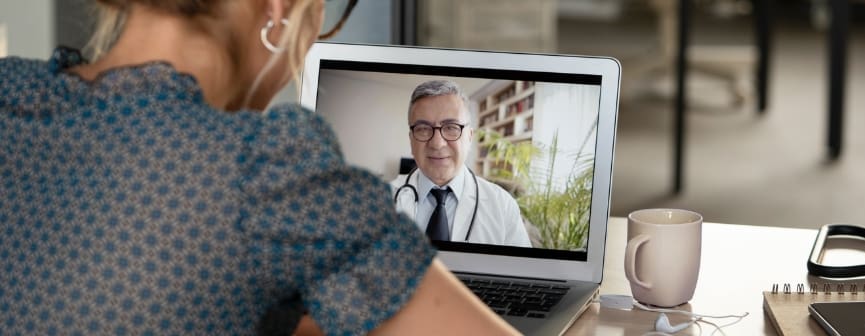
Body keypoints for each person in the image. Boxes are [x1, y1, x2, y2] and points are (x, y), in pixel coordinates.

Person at [0, 1, 520, 335]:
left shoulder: (10, 94)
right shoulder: (264, 168)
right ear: (279, 9)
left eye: (450, 128)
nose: (436, 142)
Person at [393, 80, 532, 247]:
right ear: (411, 140)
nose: (437, 143)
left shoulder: (503, 207)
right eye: (423, 128)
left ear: (469, 137)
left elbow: (517, 272)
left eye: (451, 127)